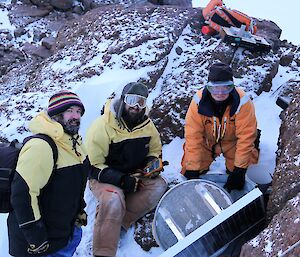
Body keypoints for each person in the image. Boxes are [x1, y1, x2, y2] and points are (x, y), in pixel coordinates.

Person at [86, 82, 168, 257]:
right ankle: (103, 252)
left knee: (159, 186)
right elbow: (92, 166)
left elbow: (155, 150)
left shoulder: (147, 125)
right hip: (103, 177)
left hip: (135, 174)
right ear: (123, 100)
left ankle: (117, 223)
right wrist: (121, 180)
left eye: (141, 102)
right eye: (132, 100)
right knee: (114, 198)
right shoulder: (102, 126)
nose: (136, 106)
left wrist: (152, 165)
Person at [8, 91, 89, 257]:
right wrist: (36, 238)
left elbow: (74, 186)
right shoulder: (41, 146)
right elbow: (22, 194)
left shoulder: (76, 144)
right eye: (70, 111)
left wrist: (79, 211)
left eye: (79, 112)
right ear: (56, 114)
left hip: (64, 236)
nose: (76, 116)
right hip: (39, 245)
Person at [181, 62, 259, 193]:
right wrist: (192, 169)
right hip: (207, 142)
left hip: (232, 142)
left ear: (232, 87)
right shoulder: (198, 102)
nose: (220, 93)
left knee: (237, 170)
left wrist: (240, 170)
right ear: (208, 87)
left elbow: (246, 137)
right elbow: (193, 137)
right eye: (215, 88)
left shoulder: (243, 102)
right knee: (191, 168)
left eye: (226, 88)